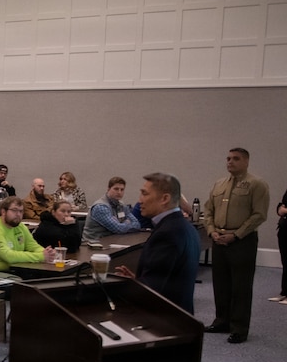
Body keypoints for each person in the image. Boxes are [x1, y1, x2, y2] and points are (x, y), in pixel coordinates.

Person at [202, 147, 270, 343]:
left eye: (236, 159)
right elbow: (208, 210)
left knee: (241, 286)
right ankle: (222, 321)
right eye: (228, 158)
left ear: (246, 162)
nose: (230, 162)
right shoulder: (219, 184)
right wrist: (211, 230)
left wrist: (237, 235)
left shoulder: (257, 184)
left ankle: (239, 327)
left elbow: (259, 215)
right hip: (219, 239)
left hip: (242, 241)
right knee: (221, 283)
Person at [115, 173, 200, 314]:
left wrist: (126, 287)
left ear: (164, 199)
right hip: (180, 316)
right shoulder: (185, 227)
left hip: (164, 320)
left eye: (145, 194)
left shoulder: (167, 233)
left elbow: (152, 290)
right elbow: (167, 279)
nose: (140, 200)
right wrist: (137, 280)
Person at [0, 196, 56, 271]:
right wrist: (41, 256)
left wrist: (47, 253)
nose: (18, 214)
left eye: (21, 211)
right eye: (14, 210)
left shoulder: (20, 226)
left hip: (17, 268)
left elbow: (32, 246)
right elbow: (9, 256)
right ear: (3, 212)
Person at [82, 177, 142, 242]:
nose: (119, 192)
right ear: (108, 189)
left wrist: (121, 224)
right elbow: (118, 229)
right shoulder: (100, 207)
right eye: (116, 189)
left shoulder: (121, 205)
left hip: (112, 242)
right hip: (93, 244)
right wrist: (126, 222)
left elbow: (137, 224)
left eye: (122, 189)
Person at [274, 188, 287, 304]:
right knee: (285, 262)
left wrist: (285, 210)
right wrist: (280, 209)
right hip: (284, 229)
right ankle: (284, 292)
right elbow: (281, 205)